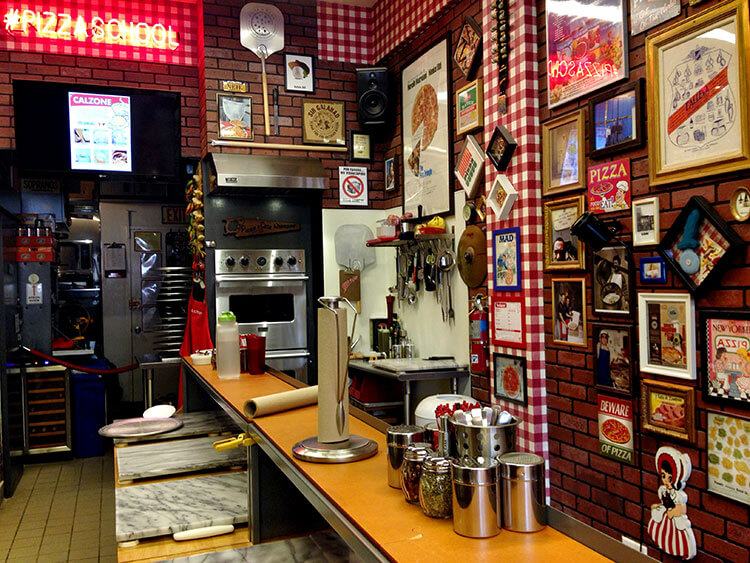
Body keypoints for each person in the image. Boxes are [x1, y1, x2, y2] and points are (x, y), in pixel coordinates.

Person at [648, 447, 697, 560]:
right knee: (661, 531)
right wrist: (659, 507)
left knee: (675, 536)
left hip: (673, 518)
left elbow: (681, 509)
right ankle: (660, 543)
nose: (666, 481)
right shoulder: (663, 490)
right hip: (665, 514)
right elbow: (664, 503)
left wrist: (673, 512)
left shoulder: (679, 496)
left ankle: (679, 550)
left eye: (669, 478)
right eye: (663, 476)